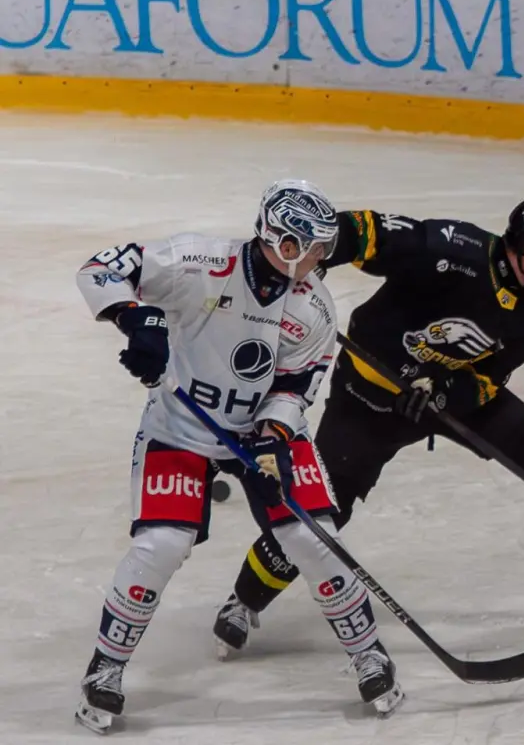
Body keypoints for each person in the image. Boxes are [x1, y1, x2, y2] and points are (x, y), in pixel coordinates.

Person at [211, 195, 524, 659]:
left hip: (440, 401)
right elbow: (367, 232)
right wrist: (302, 262)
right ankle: (244, 601)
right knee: (324, 508)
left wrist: (445, 391)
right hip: (369, 397)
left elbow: (486, 381)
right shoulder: (455, 252)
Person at [73, 180, 403, 734]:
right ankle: (105, 667)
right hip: (180, 428)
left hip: (259, 434)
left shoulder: (315, 306)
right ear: (281, 240)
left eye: (324, 250)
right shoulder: (197, 262)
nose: (319, 260)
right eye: (312, 248)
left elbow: (297, 385)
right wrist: (137, 319)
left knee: (311, 536)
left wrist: (274, 439)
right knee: (161, 545)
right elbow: (100, 269)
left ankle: (368, 651)